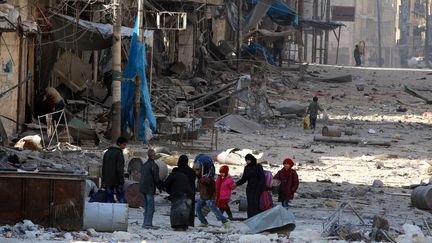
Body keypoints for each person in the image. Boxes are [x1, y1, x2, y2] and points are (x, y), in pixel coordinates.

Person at [194, 160, 230, 229]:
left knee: (215, 211)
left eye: (197, 170)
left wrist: (205, 180)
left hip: (210, 198)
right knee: (197, 209)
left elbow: (210, 182)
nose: (196, 172)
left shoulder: (206, 176)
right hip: (203, 197)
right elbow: (199, 188)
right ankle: (204, 223)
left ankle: (225, 221)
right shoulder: (199, 177)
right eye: (195, 170)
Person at [235, 154, 266, 218]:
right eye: (246, 160)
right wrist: (236, 183)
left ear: (252, 159)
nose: (247, 162)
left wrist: (264, 189)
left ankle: (257, 218)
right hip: (250, 189)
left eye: (248, 160)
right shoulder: (246, 168)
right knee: (250, 204)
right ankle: (250, 218)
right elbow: (244, 179)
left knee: (256, 203)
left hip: (258, 188)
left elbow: (262, 178)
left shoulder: (258, 166)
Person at [140, 148, 163, 229]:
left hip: (143, 188)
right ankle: (148, 224)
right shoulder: (154, 166)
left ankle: (145, 223)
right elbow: (156, 179)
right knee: (150, 207)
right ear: (153, 156)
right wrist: (160, 187)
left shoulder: (144, 165)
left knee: (146, 206)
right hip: (149, 189)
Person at [102, 136, 127, 203]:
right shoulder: (119, 153)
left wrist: (103, 179)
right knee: (120, 196)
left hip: (107, 180)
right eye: (124, 144)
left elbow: (103, 167)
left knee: (109, 197)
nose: (125, 147)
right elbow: (120, 169)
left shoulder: (107, 152)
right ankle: (122, 211)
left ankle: (110, 211)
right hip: (117, 180)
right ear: (119, 144)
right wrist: (121, 180)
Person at [176, 155, 196, 227]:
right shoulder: (192, 171)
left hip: (182, 192)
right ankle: (190, 223)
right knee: (191, 209)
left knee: (182, 209)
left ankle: (183, 224)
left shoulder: (179, 171)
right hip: (191, 191)